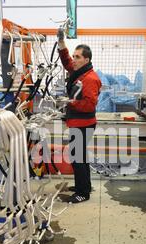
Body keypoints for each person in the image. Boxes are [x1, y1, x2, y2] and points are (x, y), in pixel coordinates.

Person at [57, 28, 102, 204]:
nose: (74, 60)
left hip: (84, 124)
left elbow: (90, 104)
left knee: (78, 158)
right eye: (74, 56)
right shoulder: (79, 72)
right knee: (78, 157)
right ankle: (82, 185)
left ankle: (83, 192)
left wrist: (69, 102)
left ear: (86, 60)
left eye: (77, 57)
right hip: (77, 122)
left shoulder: (90, 79)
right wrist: (61, 44)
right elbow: (66, 62)